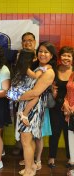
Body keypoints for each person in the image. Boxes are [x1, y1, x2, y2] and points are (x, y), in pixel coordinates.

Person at [16, 41, 57, 176]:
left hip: (33, 108)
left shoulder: (49, 72)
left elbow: (35, 93)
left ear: (51, 55)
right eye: (40, 51)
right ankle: (31, 166)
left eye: (46, 52)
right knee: (28, 139)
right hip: (27, 104)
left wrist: (16, 96)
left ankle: (29, 170)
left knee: (26, 140)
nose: (42, 54)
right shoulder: (37, 67)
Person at [7, 48, 51, 126]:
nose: (36, 58)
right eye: (34, 57)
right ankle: (24, 114)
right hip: (18, 91)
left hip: (16, 90)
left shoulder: (19, 65)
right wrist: (43, 68)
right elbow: (35, 76)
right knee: (36, 96)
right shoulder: (25, 67)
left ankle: (23, 113)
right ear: (28, 58)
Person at [12, 32, 37, 156]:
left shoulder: (39, 58)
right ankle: (19, 145)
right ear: (22, 43)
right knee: (19, 120)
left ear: (35, 42)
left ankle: (32, 153)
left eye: (30, 40)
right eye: (25, 40)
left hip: (35, 96)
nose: (28, 42)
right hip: (20, 94)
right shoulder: (18, 56)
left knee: (32, 124)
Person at [48, 46, 73, 168]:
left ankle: (70, 158)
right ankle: (52, 157)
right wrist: (62, 102)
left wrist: (70, 108)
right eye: (64, 55)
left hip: (72, 109)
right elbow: (51, 89)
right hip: (56, 106)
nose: (66, 58)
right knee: (55, 132)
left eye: (69, 56)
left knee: (69, 134)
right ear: (59, 57)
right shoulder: (54, 70)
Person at [63, 70, 74, 176]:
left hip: (72, 110)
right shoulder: (72, 74)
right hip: (70, 113)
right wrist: (66, 103)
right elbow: (69, 91)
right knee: (71, 138)